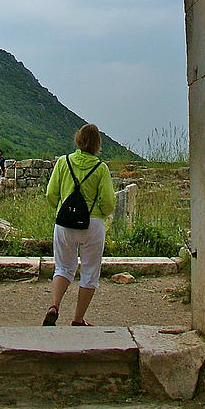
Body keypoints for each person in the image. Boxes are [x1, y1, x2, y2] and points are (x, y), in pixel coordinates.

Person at [42, 124, 116, 326]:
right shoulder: (101, 168)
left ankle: (54, 306)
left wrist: (60, 209)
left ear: (78, 139)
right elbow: (108, 201)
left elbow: (50, 194)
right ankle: (78, 319)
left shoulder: (63, 162)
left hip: (65, 223)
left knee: (63, 267)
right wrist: (99, 212)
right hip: (92, 224)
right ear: (97, 144)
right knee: (90, 272)